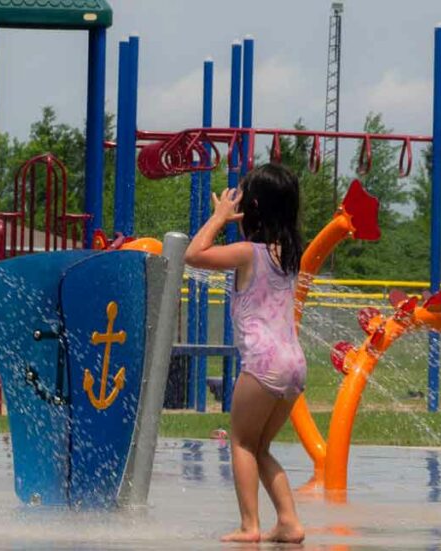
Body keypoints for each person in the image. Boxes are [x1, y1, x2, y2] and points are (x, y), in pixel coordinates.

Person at [183, 164, 307, 544]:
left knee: (241, 442)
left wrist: (218, 217)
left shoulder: (248, 253)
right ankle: (288, 522)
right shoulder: (288, 254)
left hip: (262, 364)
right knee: (261, 446)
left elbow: (193, 254)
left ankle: (249, 526)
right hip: (294, 364)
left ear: (251, 207)